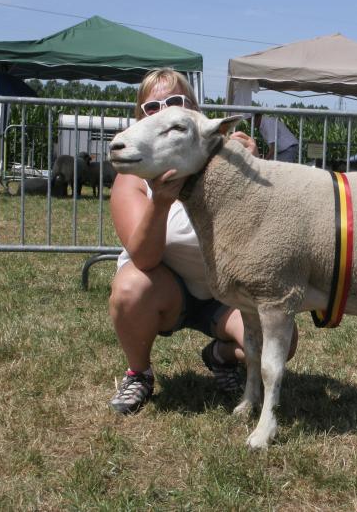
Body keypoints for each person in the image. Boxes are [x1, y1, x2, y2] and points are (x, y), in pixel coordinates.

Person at [109, 68, 298, 414]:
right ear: (141, 117)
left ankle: (219, 355)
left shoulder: (225, 161)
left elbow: (262, 231)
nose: (165, 111)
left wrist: (250, 165)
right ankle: (139, 372)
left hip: (223, 294)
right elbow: (145, 258)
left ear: (195, 111)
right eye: (153, 107)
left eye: (176, 102)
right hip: (164, 289)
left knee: (284, 344)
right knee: (129, 287)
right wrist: (162, 201)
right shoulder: (132, 179)